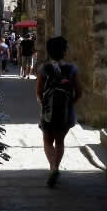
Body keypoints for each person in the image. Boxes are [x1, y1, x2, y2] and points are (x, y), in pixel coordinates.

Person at [36, 36, 82, 187]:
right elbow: (79, 92)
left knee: (47, 141)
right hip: (66, 112)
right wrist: (70, 104)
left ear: (49, 51)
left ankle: (53, 168)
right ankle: (56, 166)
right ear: (64, 51)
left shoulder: (44, 69)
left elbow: (39, 92)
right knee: (60, 141)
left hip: (48, 112)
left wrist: (45, 105)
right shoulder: (72, 69)